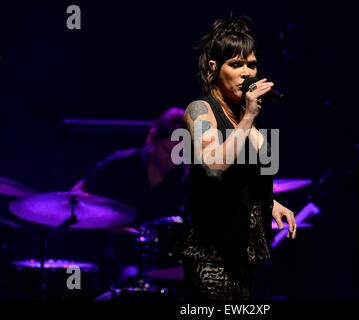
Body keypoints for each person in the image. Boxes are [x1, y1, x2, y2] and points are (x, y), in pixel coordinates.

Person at [180, 16, 297, 300]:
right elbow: (215, 165)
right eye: (235, 64)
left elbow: (242, 177)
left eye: (252, 65)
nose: (246, 73)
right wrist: (249, 117)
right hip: (211, 258)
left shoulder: (244, 120)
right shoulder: (200, 110)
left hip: (244, 257)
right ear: (214, 68)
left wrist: (271, 203)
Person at [71, 107, 188, 287]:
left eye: (180, 153)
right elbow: (76, 195)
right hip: (120, 258)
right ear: (151, 139)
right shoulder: (121, 165)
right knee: (130, 279)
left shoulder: (187, 176)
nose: (173, 159)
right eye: (167, 150)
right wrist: (108, 222)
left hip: (169, 263)